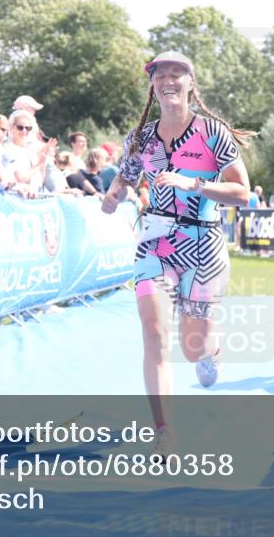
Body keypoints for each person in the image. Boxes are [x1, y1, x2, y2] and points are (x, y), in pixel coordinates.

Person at [101, 51, 252, 458]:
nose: (168, 80)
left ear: (190, 83)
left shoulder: (212, 132)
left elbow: (243, 193)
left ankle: (211, 351)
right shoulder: (141, 137)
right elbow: (127, 176)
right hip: (157, 240)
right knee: (153, 333)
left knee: (192, 348)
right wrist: (114, 196)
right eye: (160, 75)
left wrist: (194, 184)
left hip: (204, 244)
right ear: (153, 85)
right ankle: (164, 431)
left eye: (176, 73)